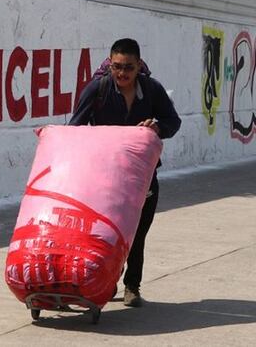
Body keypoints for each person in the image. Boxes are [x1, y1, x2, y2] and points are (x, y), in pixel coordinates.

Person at [68, 38, 181, 307]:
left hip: (143, 178)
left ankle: (132, 286)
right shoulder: (98, 89)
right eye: (117, 67)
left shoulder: (152, 90)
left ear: (139, 65)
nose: (122, 73)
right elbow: (75, 127)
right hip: (104, 179)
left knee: (137, 234)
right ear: (110, 64)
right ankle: (104, 283)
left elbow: (173, 122)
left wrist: (156, 128)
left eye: (128, 67)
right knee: (104, 236)